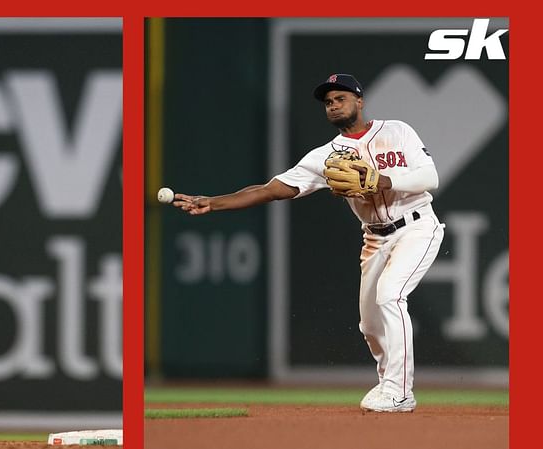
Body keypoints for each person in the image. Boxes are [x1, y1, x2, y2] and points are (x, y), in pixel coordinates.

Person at [174, 73, 445, 413]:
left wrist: (381, 179)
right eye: (328, 102)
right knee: (371, 324)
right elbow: (271, 189)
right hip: (375, 237)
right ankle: (387, 384)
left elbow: (430, 178)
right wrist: (213, 202)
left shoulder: (397, 131)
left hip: (417, 227)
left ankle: (399, 391)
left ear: (359, 102)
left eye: (340, 98)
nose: (333, 105)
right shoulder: (325, 157)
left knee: (390, 294)